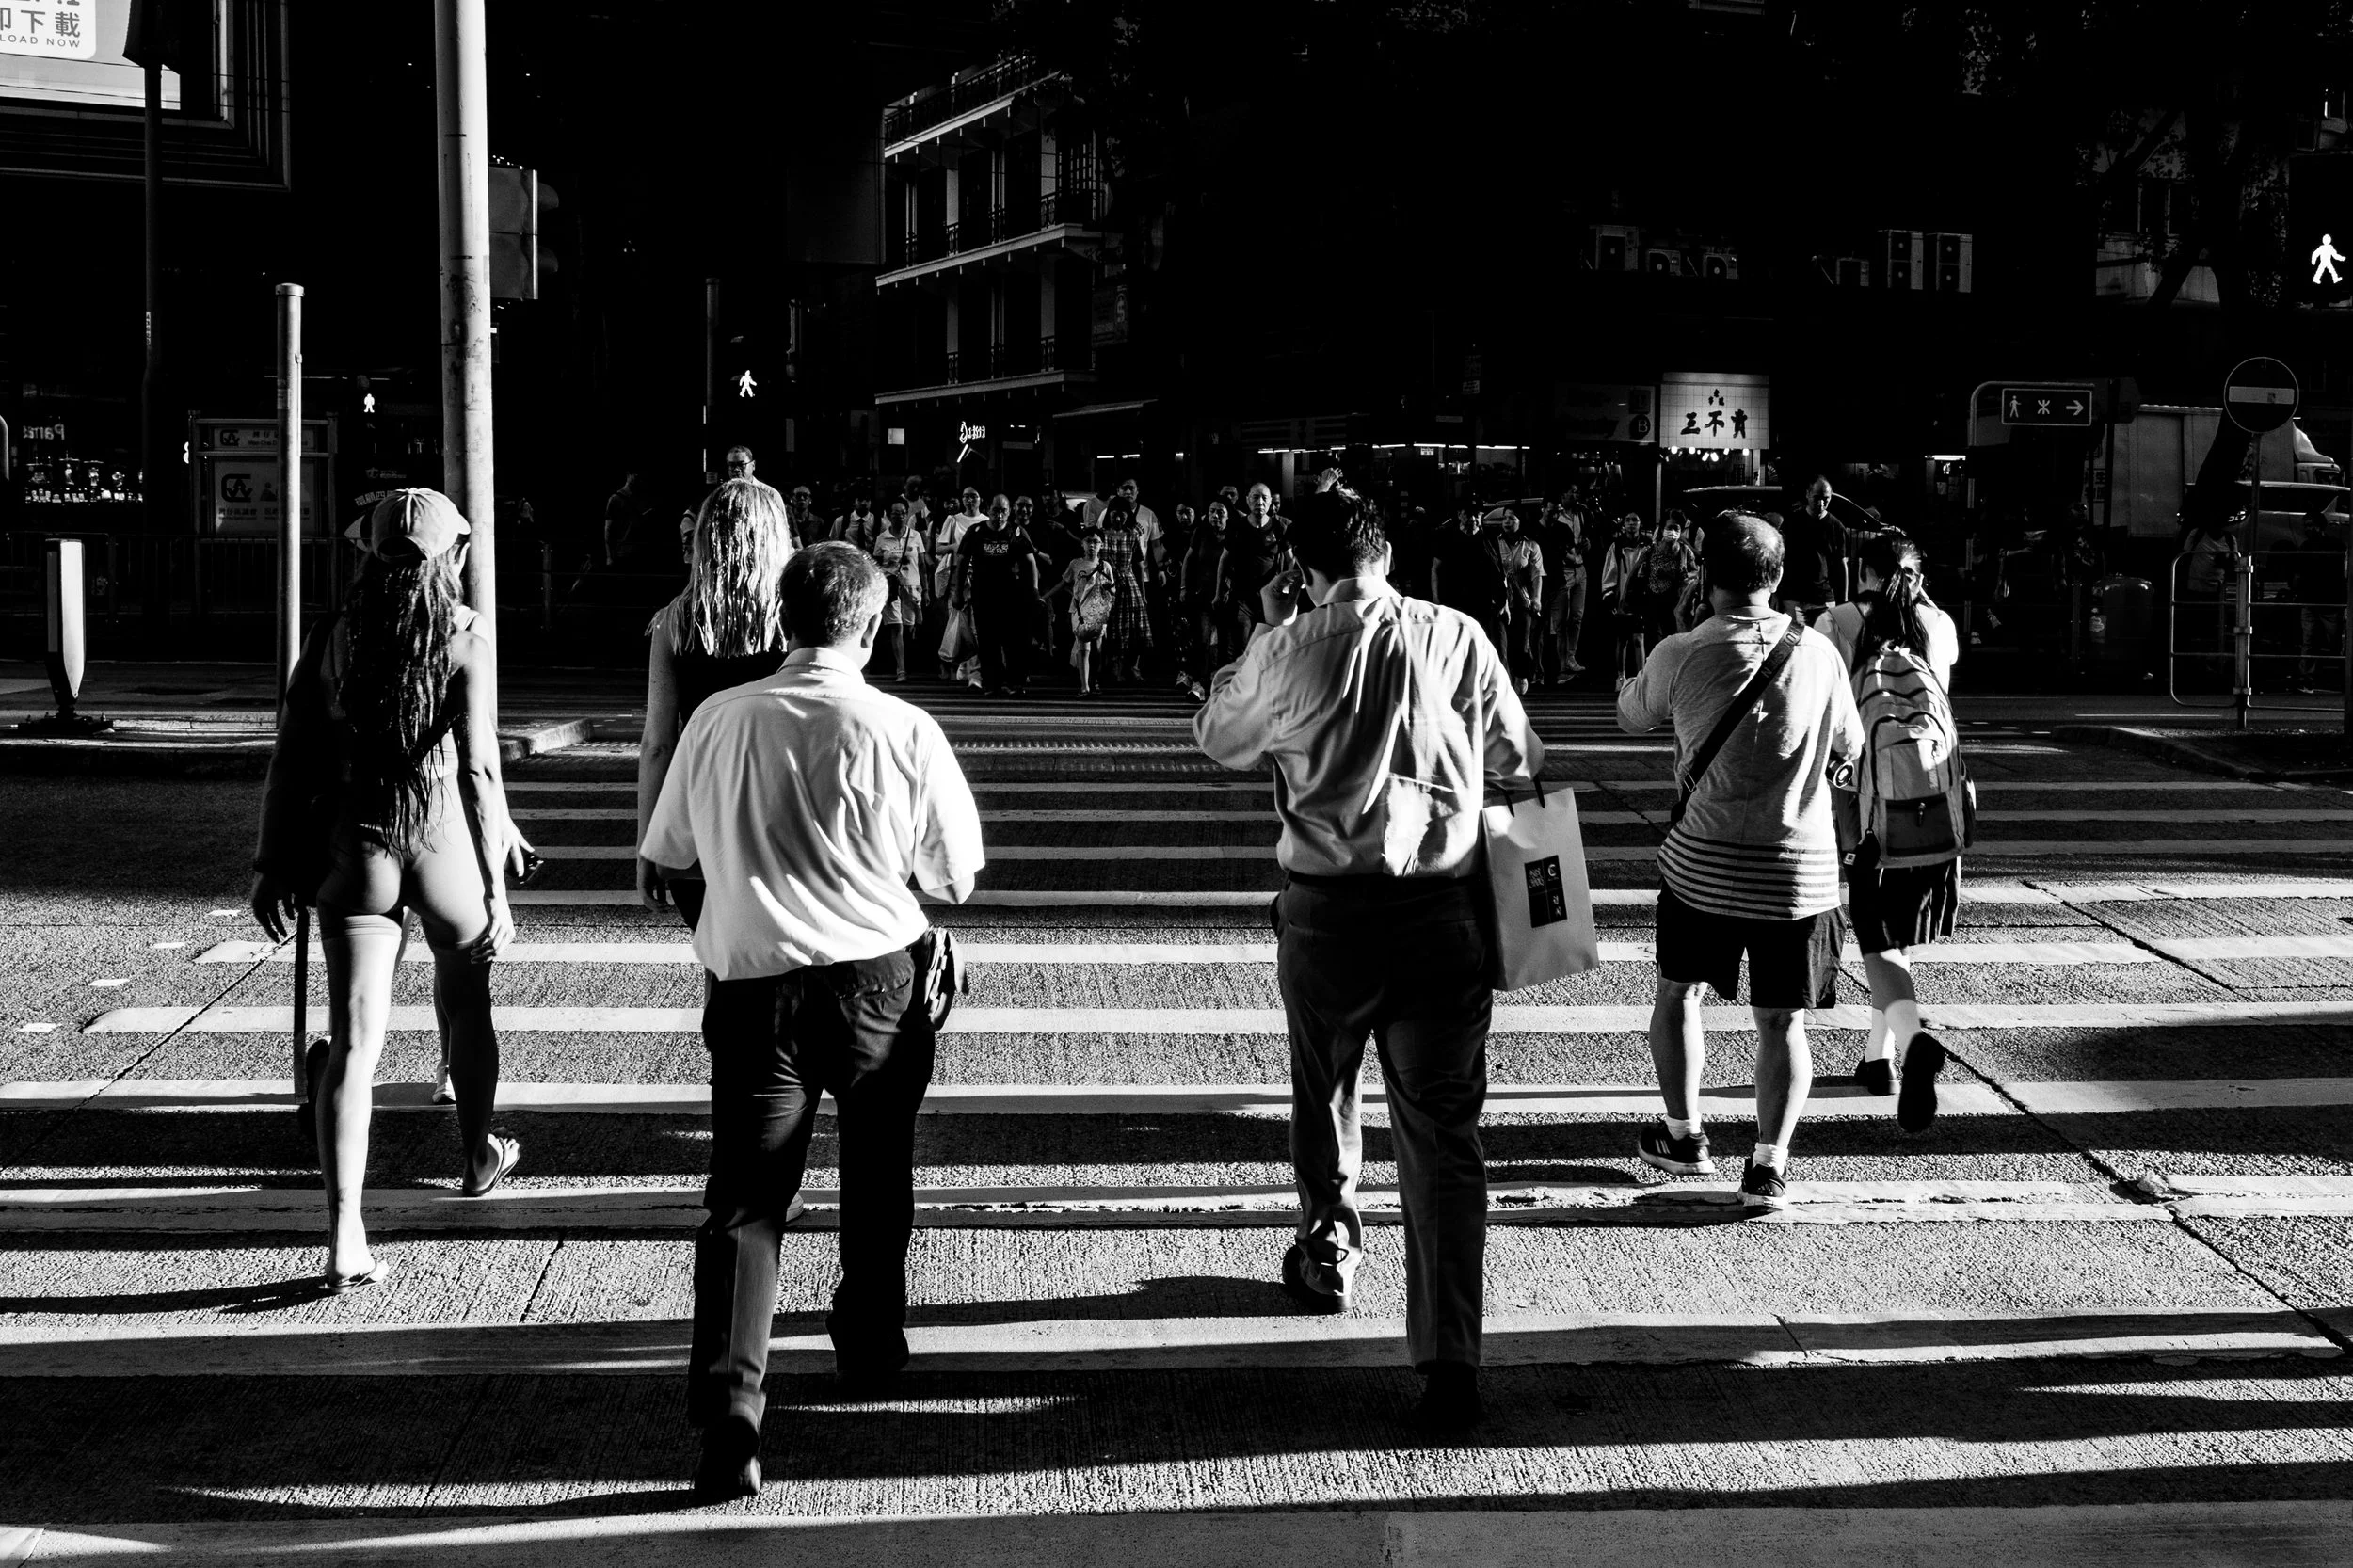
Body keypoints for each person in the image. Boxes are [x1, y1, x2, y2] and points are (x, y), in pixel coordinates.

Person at [1193, 488, 1544, 1433]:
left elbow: (1220, 737)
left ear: (1300, 569)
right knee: (1443, 1136)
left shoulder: (1285, 646)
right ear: (1386, 554)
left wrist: (1266, 631)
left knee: (1325, 1088)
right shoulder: (1457, 635)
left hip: (1328, 917)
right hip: (1445, 914)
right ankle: (1451, 1359)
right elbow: (1521, 756)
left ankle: (1329, 1252)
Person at [641, 542, 984, 1499]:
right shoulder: (905, 727)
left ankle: (731, 1418)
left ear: (783, 620)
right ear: (870, 627)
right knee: (877, 1168)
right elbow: (953, 875)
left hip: (755, 991)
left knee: (745, 1203)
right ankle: (869, 1342)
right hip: (877, 983)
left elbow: (672, 848)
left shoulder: (718, 718)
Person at [249, 489, 532, 1292]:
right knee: (468, 1004)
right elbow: (479, 768)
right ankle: (477, 1157)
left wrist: (273, 862)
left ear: (367, 557)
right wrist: (498, 886)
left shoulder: (333, 637)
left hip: (358, 841)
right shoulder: (466, 636)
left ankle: (345, 1235)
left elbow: (292, 753)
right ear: (455, 556)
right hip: (442, 838)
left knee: (353, 1043)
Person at [1615, 515, 1863, 1211]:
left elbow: (1631, 715)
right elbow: (1849, 746)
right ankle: (1768, 1168)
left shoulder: (1682, 650)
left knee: (1678, 993)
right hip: (1799, 874)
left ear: (1705, 576)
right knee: (1783, 1022)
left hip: (1702, 868)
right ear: (1777, 578)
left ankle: (1683, 1136)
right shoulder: (1820, 654)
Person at [1813, 533, 1958, 1130]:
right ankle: (1880, 1058)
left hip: (1863, 803)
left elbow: (1828, 716)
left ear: (1861, 571)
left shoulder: (1837, 622)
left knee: (1875, 934)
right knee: (1899, 932)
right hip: (1932, 802)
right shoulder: (1939, 625)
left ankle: (1912, 1039)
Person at [635, 480, 797, 927]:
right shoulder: (794, 619)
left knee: (717, 954)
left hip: (700, 815)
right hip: (777, 815)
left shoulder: (673, 622)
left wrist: (648, 842)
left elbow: (657, 744)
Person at [952, 492, 1043, 696]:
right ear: (988, 510)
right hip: (983, 596)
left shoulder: (1017, 532)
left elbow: (1030, 562)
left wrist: (1034, 592)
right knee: (987, 641)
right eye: (995, 511)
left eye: (1003, 511)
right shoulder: (976, 532)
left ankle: (1014, 683)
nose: (999, 516)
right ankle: (992, 684)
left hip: (1012, 596)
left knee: (1014, 641)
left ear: (1009, 512)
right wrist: (958, 592)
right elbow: (962, 562)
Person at [933, 486, 989, 683]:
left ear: (980, 499)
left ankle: (974, 671)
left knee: (977, 624)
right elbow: (939, 548)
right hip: (958, 575)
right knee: (959, 622)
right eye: (966, 497)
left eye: (973, 496)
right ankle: (963, 666)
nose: (969, 500)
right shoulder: (953, 520)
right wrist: (955, 547)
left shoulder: (986, 521)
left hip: (980, 575)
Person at [1429, 506, 1507, 650]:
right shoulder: (1447, 537)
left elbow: (1500, 571)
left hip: (1483, 604)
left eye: (1476, 515)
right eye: (1468, 514)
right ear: (1459, 514)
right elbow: (1435, 569)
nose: (1473, 519)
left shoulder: (1489, 539)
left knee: (1482, 645)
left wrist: (1504, 601)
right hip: (1455, 603)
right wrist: (1436, 598)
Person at [1778, 476, 1851, 626]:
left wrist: (1843, 599)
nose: (1821, 503)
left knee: (1822, 639)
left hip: (1823, 599)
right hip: (1794, 598)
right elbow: (1781, 559)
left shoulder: (1837, 527)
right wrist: (1777, 593)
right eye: (1817, 498)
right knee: (1795, 639)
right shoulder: (1792, 523)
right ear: (1807, 494)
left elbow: (1841, 565)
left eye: (1826, 499)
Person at [1053, 522, 1117, 694]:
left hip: (1098, 613)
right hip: (1079, 611)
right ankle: (1084, 686)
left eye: (1096, 542)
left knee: (1097, 649)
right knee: (1083, 648)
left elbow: (1113, 590)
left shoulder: (1105, 566)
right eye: (1089, 541)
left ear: (1101, 545)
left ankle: (1094, 680)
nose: (1092, 545)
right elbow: (1063, 583)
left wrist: (1109, 587)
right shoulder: (1075, 564)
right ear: (1082, 543)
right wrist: (1044, 596)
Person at [1098, 497, 1155, 684]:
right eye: (1114, 514)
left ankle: (1133, 667)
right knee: (1112, 628)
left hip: (1129, 585)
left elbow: (1138, 566)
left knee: (1135, 628)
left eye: (1122, 515)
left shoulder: (1132, 535)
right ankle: (1114, 667)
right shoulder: (1101, 535)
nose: (1118, 518)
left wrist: (1143, 594)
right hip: (1107, 585)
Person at [870, 501, 928, 682]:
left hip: (912, 586)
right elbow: (876, 566)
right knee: (896, 626)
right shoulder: (882, 538)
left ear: (907, 514)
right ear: (889, 515)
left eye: (903, 513)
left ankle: (908, 663)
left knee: (909, 627)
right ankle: (901, 669)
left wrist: (926, 590)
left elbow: (922, 565)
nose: (899, 516)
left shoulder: (915, 535)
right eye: (895, 513)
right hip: (891, 587)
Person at [1179, 500, 1232, 697]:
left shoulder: (1233, 535)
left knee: (1225, 643)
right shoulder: (1201, 533)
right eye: (1212, 511)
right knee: (1202, 639)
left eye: (1220, 512)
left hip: (1227, 596)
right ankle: (1199, 684)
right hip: (1204, 594)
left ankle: (1222, 686)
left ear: (1228, 515)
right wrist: (1184, 587)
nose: (1215, 516)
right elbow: (1188, 559)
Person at [1533, 498, 1587, 682]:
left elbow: (1572, 555)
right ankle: (1538, 672)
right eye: (1551, 512)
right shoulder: (1534, 530)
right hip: (1540, 584)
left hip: (1558, 582)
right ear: (1543, 509)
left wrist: (1569, 554)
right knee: (1538, 629)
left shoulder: (1562, 529)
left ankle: (1562, 669)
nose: (1555, 515)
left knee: (1561, 626)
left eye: (1558, 511)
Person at [1494, 507, 1545, 695]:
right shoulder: (1495, 543)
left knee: (1521, 643)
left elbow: (1537, 574)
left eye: (1512, 518)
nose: (1507, 522)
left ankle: (1521, 675)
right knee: (1501, 644)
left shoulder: (1531, 546)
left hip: (1522, 601)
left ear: (1520, 521)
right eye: (1505, 518)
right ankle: (1504, 684)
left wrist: (1536, 598)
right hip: (1500, 601)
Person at [1598, 513, 1650, 678]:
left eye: (1635, 520)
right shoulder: (1616, 546)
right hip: (1622, 598)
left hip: (1641, 598)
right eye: (1628, 520)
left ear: (1640, 523)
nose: (1631, 523)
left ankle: (1641, 678)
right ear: (1623, 524)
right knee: (1622, 640)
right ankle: (1620, 677)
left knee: (1638, 639)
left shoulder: (1648, 546)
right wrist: (1609, 597)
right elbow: (1610, 572)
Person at [604, 472, 652, 568]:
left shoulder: (640, 498)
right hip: (622, 552)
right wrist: (609, 556)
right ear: (628, 475)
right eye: (636, 474)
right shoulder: (615, 499)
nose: (638, 478)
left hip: (638, 550)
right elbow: (608, 529)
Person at [784, 483, 818, 551]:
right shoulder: (786, 521)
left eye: (805, 496)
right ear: (792, 499)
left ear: (810, 500)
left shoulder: (818, 522)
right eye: (798, 496)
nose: (802, 498)